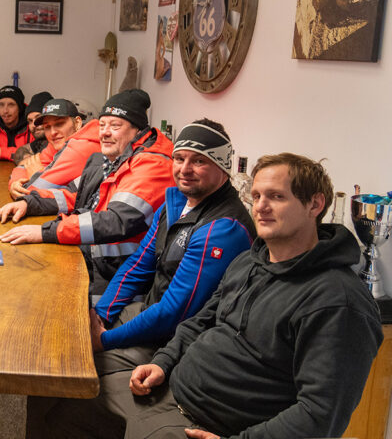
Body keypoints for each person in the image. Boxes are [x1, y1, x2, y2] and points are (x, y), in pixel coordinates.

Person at [48, 153, 384, 439]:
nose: (261, 207)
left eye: (277, 197)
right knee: (55, 400)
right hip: (170, 388)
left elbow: (322, 413)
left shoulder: (339, 302)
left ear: (315, 204)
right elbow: (202, 321)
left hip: (208, 425)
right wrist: (163, 363)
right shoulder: (251, 261)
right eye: (257, 196)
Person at [28, 119, 256, 437]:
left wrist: (103, 338)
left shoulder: (224, 228)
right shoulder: (176, 204)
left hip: (172, 341)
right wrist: (101, 314)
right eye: (180, 158)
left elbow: (176, 312)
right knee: (53, 354)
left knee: (67, 378)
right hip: (147, 313)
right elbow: (139, 264)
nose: (185, 169)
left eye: (200, 161)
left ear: (223, 167)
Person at [0, 90, 174, 293]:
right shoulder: (112, 156)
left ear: (137, 130)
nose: (104, 132)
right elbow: (72, 195)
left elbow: (115, 222)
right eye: (102, 125)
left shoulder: (153, 164)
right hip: (94, 259)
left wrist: (46, 232)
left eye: (115, 126)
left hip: (117, 275)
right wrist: (28, 204)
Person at [6, 98, 95, 200]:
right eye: (47, 127)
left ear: (78, 123)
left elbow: (30, 192)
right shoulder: (58, 143)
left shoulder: (82, 146)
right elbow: (22, 167)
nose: (53, 133)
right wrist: (14, 184)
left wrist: (35, 174)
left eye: (59, 124)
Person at [0, 85, 32, 161]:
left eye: (11, 105)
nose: (5, 111)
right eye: (1, 105)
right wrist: (19, 153)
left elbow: (34, 156)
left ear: (20, 108)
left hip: (26, 171)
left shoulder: (31, 121)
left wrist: (0, 152)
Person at [11, 91, 54, 165]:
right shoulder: (41, 141)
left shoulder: (59, 142)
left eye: (39, 118)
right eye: (30, 121)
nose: (34, 125)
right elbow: (21, 150)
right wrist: (27, 157)